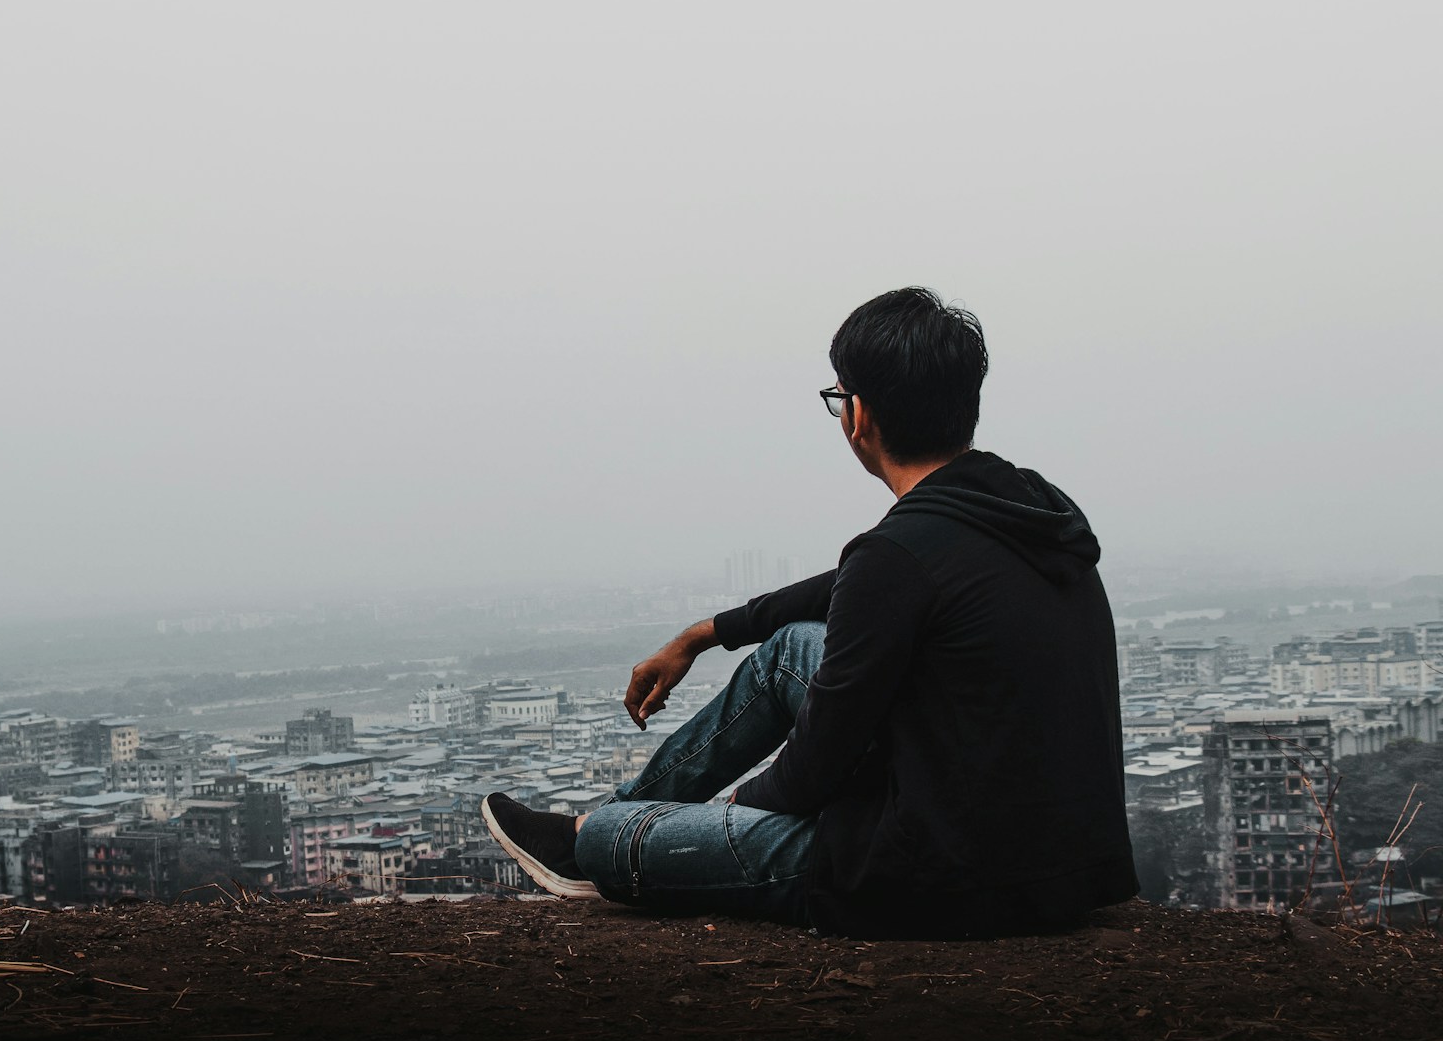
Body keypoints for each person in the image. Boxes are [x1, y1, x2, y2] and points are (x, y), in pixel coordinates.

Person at [481, 287, 1137, 939]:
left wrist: (739, 809)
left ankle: (586, 836)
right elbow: (851, 585)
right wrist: (707, 634)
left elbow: (811, 772)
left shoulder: (899, 556)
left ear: (859, 416)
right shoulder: (1027, 511)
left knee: (612, 839)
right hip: (1066, 865)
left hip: (932, 878)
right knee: (791, 647)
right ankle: (607, 819)